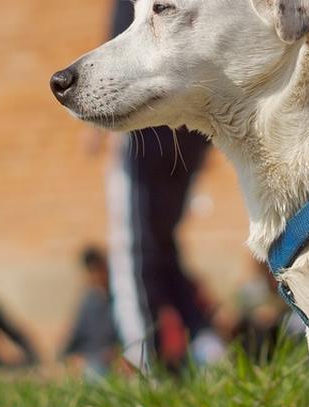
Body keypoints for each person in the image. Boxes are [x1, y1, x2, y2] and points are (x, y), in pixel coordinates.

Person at [95, 0, 225, 375]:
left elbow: (124, 44)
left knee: (134, 248)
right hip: (188, 131)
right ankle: (204, 342)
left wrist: (98, 120)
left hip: (146, 131)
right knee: (162, 243)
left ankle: (144, 363)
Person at [60, 246, 119, 379]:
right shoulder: (89, 301)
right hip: (87, 361)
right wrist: (72, 358)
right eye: (91, 271)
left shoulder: (122, 300)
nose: (96, 276)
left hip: (108, 363)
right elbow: (72, 340)